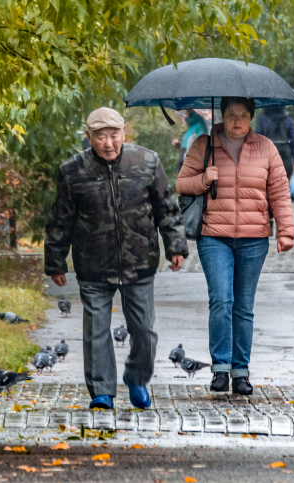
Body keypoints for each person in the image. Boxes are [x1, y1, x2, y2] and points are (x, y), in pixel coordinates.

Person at [44, 107, 188, 410]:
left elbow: (166, 207)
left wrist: (175, 245)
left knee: (144, 331)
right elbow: (60, 219)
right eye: (100, 137)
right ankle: (102, 392)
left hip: (139, 262)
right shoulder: (72, 171)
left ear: (124, 132)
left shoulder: (147, 162)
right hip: (93, 263)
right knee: (96, 329)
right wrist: (55, 260)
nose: (107, 143)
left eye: (113, 135)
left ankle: (137, 377)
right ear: (89, 137)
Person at [175, 97, 294, 395]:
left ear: (251, 117)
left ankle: (241, 372)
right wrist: (203, 179)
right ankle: (220, 369)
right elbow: (180, 184)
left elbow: (279, 191)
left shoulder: (266, 148)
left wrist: (285, 231)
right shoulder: (205, 145)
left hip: (254, 239)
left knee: (243, 307)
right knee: (221, 300)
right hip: (214, 236)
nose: (237, 121)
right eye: (230, 115)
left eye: (243, 115)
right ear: (222, 116)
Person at [256, 105, 294, 180]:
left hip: (267, 159)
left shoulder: (262, 120)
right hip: (286, 159)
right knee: (284, 187)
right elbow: (293, 143)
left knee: (268, 187)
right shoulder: (288, 121)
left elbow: (258, 142)